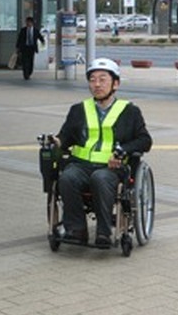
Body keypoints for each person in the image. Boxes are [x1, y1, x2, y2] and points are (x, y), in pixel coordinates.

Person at [52, 58, 152, 248]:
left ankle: (104, 233)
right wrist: (56, 141)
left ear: (116, 84)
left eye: (102, 79)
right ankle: (76, 230)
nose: (96, 84)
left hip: (112, 168)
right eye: (92, 79)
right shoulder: (79, 109)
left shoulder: (130, 111)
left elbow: (145, 141)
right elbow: (66, 136)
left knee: (100, 178)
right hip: (81, 165)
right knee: (67, 178)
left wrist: (122, 152)